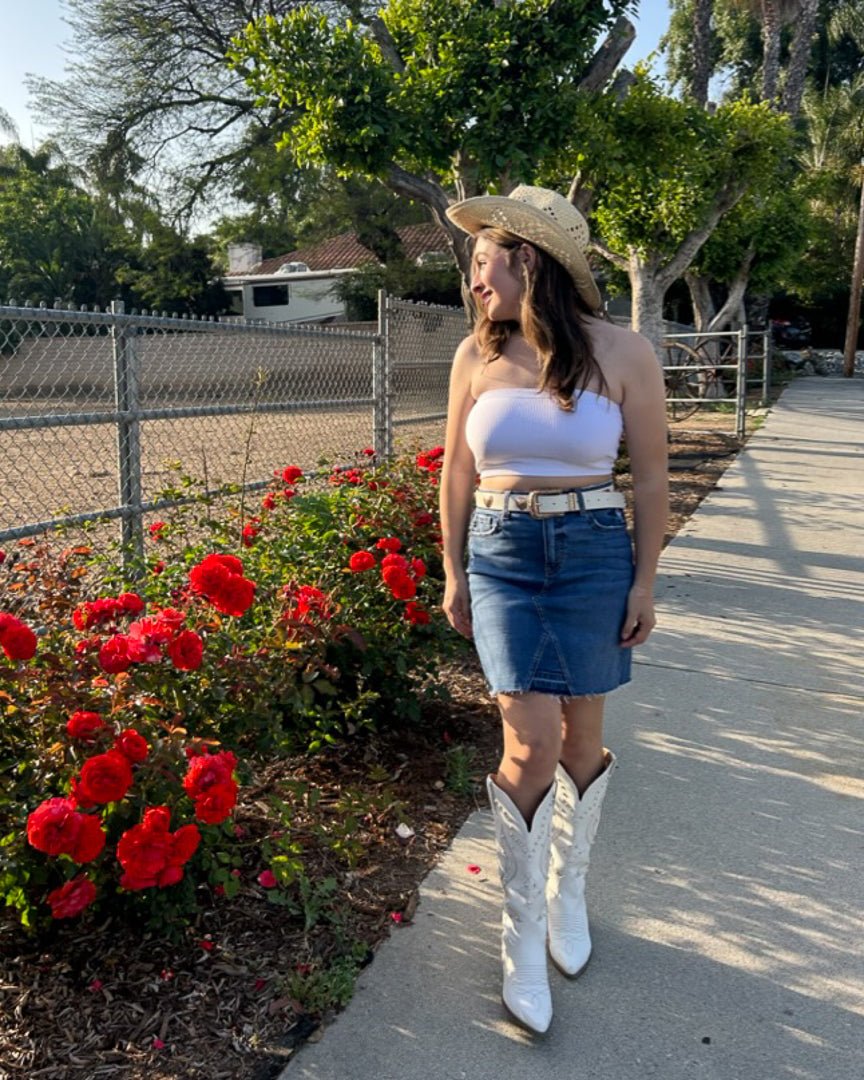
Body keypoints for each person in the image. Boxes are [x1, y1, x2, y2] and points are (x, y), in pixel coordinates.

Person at [439, 186, 668, 1035]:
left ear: (527, 260)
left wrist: (644, 582)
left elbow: (647, 477)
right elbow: (456, 474)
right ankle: (519, 934)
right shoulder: (474, 356)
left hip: (595, 553)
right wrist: (453, 569)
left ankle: (566, 897)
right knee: (527, 741)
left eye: (482, 266)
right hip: (502, 556)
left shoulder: (624, 354)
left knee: (579, 739)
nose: (474, 285)